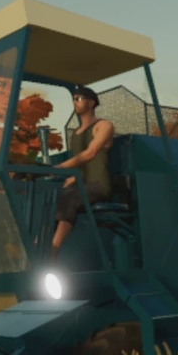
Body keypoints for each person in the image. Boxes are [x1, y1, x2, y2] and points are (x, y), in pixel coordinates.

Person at [49, 86, 115, 258]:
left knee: (70, 196)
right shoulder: (76, 134)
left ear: (91, 103)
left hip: (98, 185)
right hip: (81, 183)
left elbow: (90, 153)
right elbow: (79, 163)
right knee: (53, 197)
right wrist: (72, 176)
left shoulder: (103, 125)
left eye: (78, 99)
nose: (75, 102)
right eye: (73, 99)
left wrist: (60, 167)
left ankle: (53, 248)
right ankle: (36, 244)